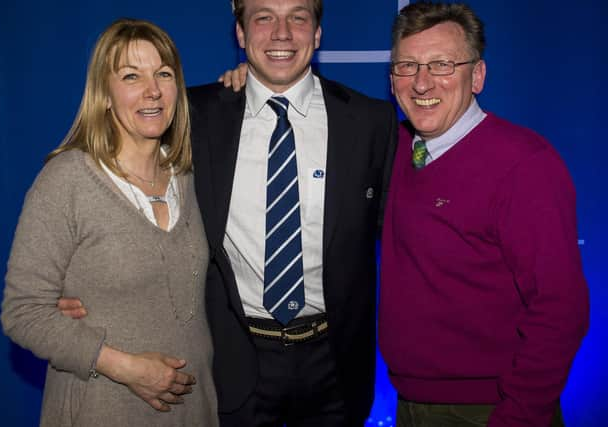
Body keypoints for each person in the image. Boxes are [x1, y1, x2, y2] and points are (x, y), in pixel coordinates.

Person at [58, 1, 396, 424]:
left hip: (337, 364)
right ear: (240, 34)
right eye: (263, 18)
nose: (281, 33)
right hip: (232, 362)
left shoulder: (370, 121)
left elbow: (402, 236)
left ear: (318, 33)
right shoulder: (190, 115)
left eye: (298, 17)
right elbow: (118, 189)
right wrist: (75, 283)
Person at [379, 2, 590, 426]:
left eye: (441, 64)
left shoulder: (524, 164)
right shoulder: (393, 148)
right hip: (409, 404)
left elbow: (561, 308)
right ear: (392, 79)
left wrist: (518, 414)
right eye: (407, 66)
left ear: (477, 76)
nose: (421, 82)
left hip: (491, 409)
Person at [1, 18, 218, 427]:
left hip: (194, 410)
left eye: (164, 74)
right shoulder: (67, 180)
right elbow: (23, 312)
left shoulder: (188, 177)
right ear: (104, 94)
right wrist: (126, 367)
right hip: (101, 408)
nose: (152, 90)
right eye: (131, 76)